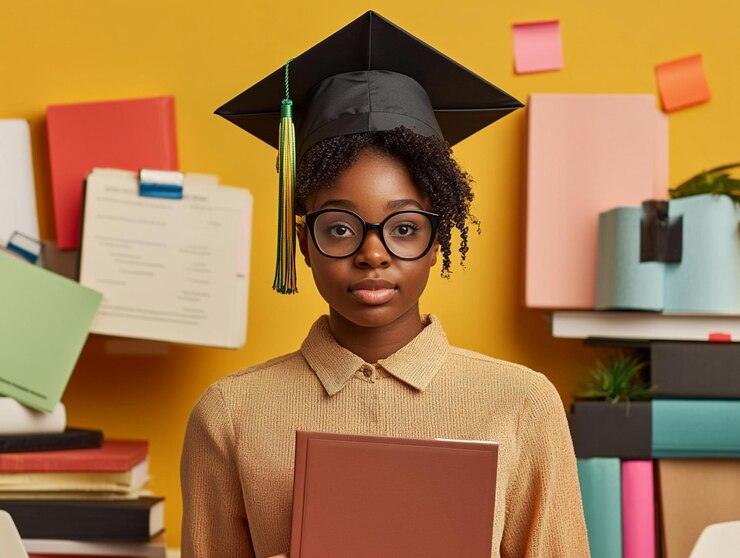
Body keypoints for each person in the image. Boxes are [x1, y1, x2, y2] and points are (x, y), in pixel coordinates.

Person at [180, 10, 589, 558]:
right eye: (341, 228)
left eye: (403, 228)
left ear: (437, 240)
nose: (373, 254)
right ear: (303, 243)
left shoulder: (520, 404)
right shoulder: (230, 414)